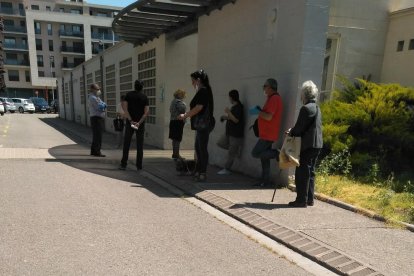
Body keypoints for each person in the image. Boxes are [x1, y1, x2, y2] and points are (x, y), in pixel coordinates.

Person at [287, 80, 323, 207]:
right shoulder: (317, 108)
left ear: (304, 94)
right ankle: (309, 199)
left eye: (301, 94)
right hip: (317, 144)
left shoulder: (305, 108)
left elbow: (299, 128)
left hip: (307, 145)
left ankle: (301, 200)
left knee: (302, 172)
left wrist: (291, 132)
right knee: (310, 171)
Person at [178, 69, 214, 182]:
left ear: (198, 80)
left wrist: (185, 115)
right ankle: (198, 171)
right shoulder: (203, 90)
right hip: (201, 125)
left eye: (193, 81)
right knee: (198, 149)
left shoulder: (203, 91)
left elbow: (199, 107)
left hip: (203, 124)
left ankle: (202, 173)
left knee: (202, 149)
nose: (192, 83)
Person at [251, 78, 283, 187]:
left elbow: (269, 117)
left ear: (270, 87)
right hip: (266, 133)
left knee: (255, 153)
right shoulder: (271, 98)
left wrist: (258, 112)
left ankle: (277, 153)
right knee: (264, 158)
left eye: (264, 86)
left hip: (268, 134)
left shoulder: (274, 99)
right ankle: (265, 181)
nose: (263, 88)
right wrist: (260, 111)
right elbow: (266, 114)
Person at [119, 80, 149, 171]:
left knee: (127, 143)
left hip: (130, 123)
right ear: (142, 87)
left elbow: (125, 109)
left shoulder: (128, 95)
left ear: (134, 86)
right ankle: (139, 166)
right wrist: (139, 122)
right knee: (140, 145)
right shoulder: (145, 97)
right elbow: (146, 112)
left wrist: (131, 120)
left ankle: (123, 164)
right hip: (140, 124)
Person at [217, 89, 244, 175]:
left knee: (231, 153)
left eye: (229, 97)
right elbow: (232, 118)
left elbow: (236, 120)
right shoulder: (234, 107)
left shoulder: (239, 107)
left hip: (235, 133)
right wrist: (225, 117)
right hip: (229, 132)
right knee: (220, 143)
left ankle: (226, 169)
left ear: (232, 97)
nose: (229, 99)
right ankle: (236, 150)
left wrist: (228, 112)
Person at [88, 83, 106, 157]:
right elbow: (100, 107)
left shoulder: (96, 97)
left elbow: (104, 104)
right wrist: (103, 105)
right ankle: (97, 151)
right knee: (98, 135)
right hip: (96, 118)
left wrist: (103, 105)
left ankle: (93, 151)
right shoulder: (93, 97)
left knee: (96, 135)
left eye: (99, 89)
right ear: (92, 89)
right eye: (97, 89)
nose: (99, 90)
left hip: (98, 118)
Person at [169, 89, 187, 159]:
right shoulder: (178, 102)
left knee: (174, 139)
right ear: (180, 95)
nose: (184, 96)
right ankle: (177, 154)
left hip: (173, 121)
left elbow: (170, 110)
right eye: (183, 95)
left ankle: (174, 154)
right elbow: (183, 109)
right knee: (177, 139)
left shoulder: (173, 101)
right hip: (178, 122)